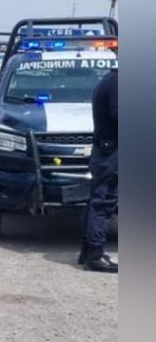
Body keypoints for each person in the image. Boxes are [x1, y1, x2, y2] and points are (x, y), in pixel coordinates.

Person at [78, 52, 118, 273]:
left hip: (104, 150)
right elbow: (117, 114)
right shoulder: (118, 84)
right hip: (111, 152)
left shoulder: (109, 81)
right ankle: (95, 254)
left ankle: (88, 251)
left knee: (98, 200)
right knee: (104, 202)